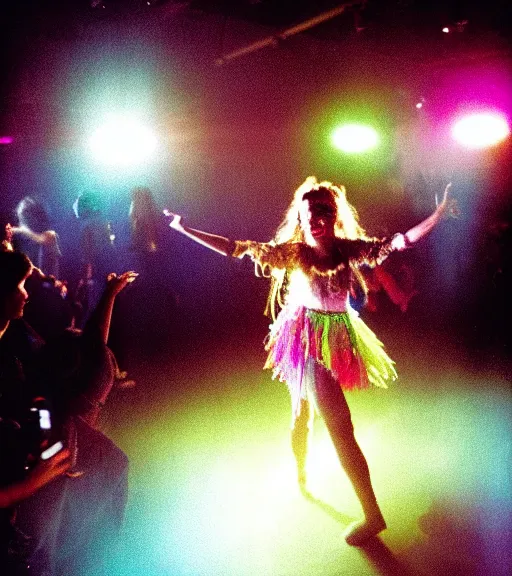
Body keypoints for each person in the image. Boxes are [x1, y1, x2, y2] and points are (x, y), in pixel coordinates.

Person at [166, 176, 456, 546]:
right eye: (310, 214)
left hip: (330, 341)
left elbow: (399, 242)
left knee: (338, 428)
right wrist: (185, 227)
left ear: (335, 216)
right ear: (300, 220)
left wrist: (438, 214)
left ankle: (372, 515)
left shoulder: (349, 250)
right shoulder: (293, 253)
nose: (317, 220)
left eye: (324, 212)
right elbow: (234, 248)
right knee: (300, 413)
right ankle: (302, 474)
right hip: (301, 336)